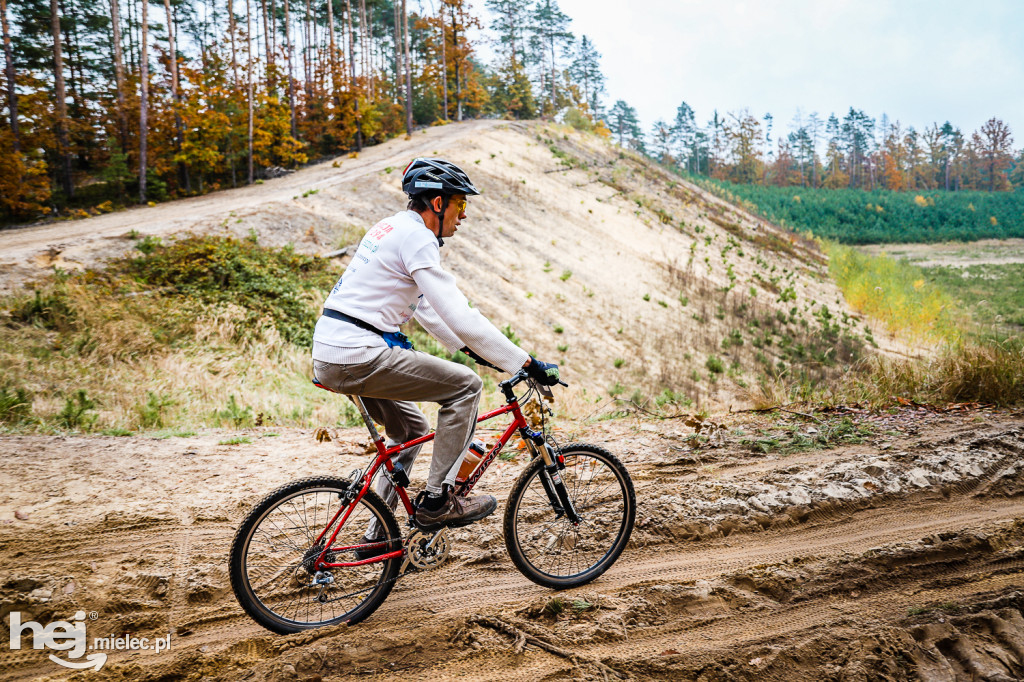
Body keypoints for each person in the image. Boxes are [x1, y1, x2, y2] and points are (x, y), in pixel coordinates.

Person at [311, 158, 561, 553]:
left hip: (335, 350)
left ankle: (377, 537)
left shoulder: (392, 227)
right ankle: (437, 500)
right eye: (462, 206)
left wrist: (474, 350)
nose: (464, 216)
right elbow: (459, 313)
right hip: (358, 352)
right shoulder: (418, 238)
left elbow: (429, 308)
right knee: (465, 387)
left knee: (410, 431)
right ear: (439, 203)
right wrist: (524, 362)